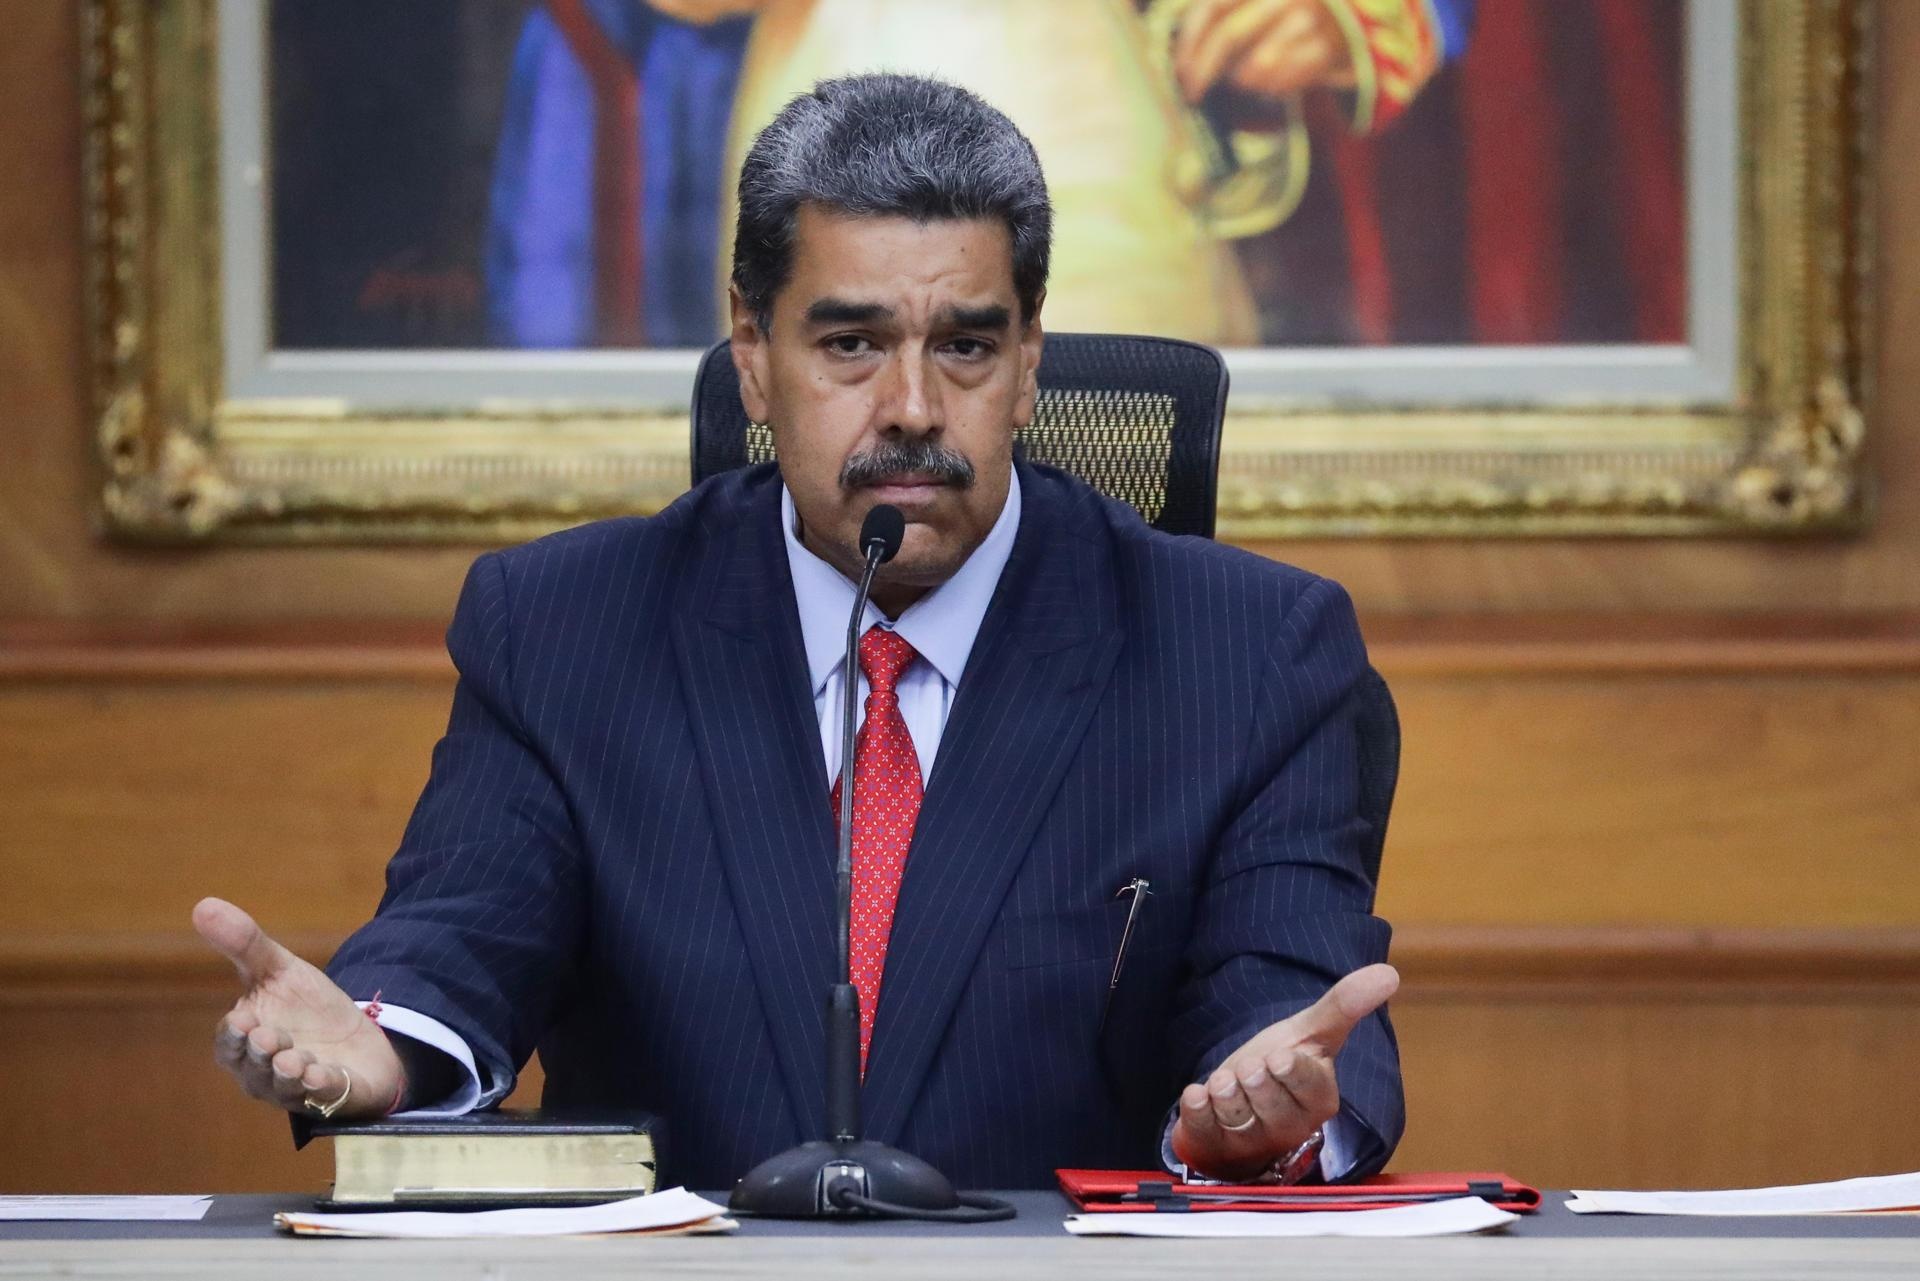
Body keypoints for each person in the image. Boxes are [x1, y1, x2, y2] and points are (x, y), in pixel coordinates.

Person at [196, 72, 1404, 1191]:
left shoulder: (1248, 654)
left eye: (966, 346)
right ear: (753, 354)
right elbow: (462, 933)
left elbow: (1289, 998)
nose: (913, 409)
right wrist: (380, 1049)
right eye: (851, 345)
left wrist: (1268, 1120)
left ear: (1028, 361)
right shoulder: (568, 630)